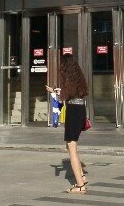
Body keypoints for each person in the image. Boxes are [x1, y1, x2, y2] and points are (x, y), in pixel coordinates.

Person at [46, 54, 88, 194]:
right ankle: (82, 176)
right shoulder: (78, 77)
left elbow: (66, 97)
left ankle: (80, 185)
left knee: (71, 147)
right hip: (80, 110)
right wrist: (56, 91)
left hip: (73, 112)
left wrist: (55, 92)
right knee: (71, 146)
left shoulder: (68, 78)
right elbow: (70, 94)